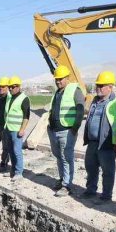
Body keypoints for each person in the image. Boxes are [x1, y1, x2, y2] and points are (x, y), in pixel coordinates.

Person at [82, 71, 116, 203]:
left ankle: (106, 196)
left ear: (110, 87)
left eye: (102, 85)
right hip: (92, 142)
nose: (99, 88)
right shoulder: (95, 101)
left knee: (107, 171)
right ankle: (91, 190)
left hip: (107, 144)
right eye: (98, 85)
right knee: (90, 167)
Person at [47, 65, 85, 196]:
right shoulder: (58, 92)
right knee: (59, 156)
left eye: (60, 79)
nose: (58, 81)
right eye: (56, 79)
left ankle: (67, 185)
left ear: (67, 78)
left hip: (66, 131)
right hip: (54, 130)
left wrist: (75, 128)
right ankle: (63, 179)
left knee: (66, 157)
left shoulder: (74, 90)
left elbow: (80, 110)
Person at [4, 77, 30, 183]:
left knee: (17, 151)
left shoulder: (24, 98)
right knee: (10, 151)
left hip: (17, 130)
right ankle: (13, 170)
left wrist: (22, 129)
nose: (10, 89)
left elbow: (26, 116)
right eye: (9, 87)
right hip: (8, 128)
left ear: (18, 87)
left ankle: (19, 173)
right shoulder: (10, 97)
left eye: (13, 87)